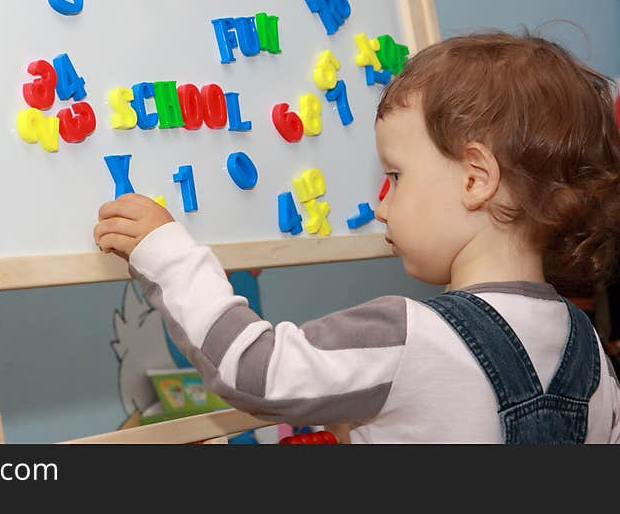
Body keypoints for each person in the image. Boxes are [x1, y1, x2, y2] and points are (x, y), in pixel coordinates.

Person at [94, 32, 620, 443]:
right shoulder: (591, 351)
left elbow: (254, 370)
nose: (379, 203)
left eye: (396, 176)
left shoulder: (408, 335)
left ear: (475, 179)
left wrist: (167, 253)